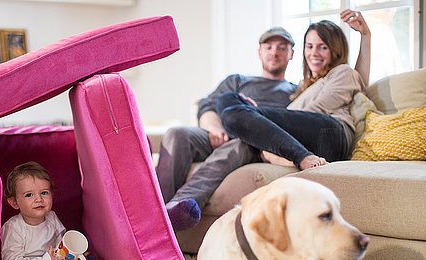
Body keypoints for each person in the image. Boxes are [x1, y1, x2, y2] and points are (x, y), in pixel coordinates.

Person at [156, 10, 370, 231]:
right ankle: (154, 209)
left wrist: (252, 115)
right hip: (220, 131)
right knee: (177, 133)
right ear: (259, 51)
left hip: (253, 139)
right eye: (268, 47)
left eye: (282, 48)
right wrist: (214, 127)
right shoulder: (240, 80)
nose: (274, 52)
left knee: (240, 136)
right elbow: (208, 105)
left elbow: (356, 81)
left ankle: (179, 207)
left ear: (291, 54)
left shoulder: (294, 91)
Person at [0, 161, 86, 260]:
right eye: (29, 195)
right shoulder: (13, 227)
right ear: (14, 202)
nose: (38, 199)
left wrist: (67, 259)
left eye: (44, 193)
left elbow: (61, 243)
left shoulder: (52, 218)